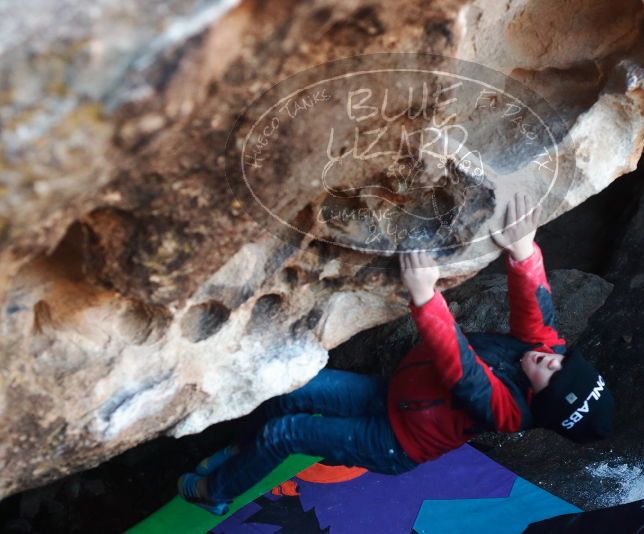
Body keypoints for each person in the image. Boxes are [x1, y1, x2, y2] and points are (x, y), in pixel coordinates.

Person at [177, 193, 614, 515]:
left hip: (395, 441)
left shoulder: (507, 412)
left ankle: (217, 492)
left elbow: (462, 371)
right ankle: (240, 458)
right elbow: (537, 314)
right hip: (395, 396)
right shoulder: (544, 354)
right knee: (285, 393)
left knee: (285, 433)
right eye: (564, 362)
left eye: (554, 378)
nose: (552, 361)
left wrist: (426, 299)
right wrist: (523, 251)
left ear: (541, 402)